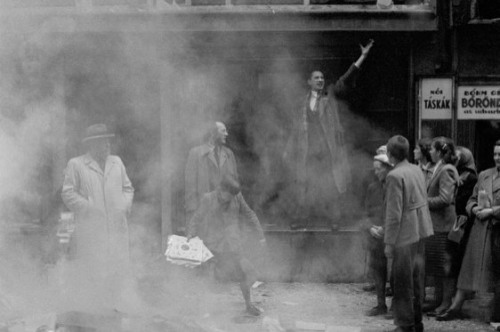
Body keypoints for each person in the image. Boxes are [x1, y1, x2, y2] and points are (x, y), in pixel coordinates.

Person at [283, 39, 374, 229]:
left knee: (331, 186)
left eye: (322, 78)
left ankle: (334, 221)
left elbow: (345, 81)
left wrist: (362, 57)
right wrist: (288, 150)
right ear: (309, 82)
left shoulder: (329, 97)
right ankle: (301, 220)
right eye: (316, 78)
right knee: (304, 185)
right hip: (308, 152)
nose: (320, 80)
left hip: (328, 151)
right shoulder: (301, 103)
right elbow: (295, 130)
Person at [61, 123, 134, 308]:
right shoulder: (76, 164)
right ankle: (94, 310)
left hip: (117, 227)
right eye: (103, 142)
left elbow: (128, 188)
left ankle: (117, 308)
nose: (108, 145)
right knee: (94, 271)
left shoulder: (116, 162)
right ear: (92, 145)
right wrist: (88, 207)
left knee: (117, 270)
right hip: (91, 228)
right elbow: (67, 193)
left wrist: (123, 206)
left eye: (108, 141)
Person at [186, 175, 266, 316]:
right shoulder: (208, 199)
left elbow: (249, 214)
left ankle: (248, 305)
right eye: (227, 195)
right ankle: (206, 310)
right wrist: (190, 233)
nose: (229, 198)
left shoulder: (237, 197)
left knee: (248, 273)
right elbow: (197, 217)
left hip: (233, 245)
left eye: (232, 196)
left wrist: (261, 236)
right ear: (220, 190)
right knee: (209, 279)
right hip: (213, 246)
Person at [437, 141, 498, 322]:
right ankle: (456, 307)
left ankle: (495, 312)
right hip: (479, 230)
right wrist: (474, 209)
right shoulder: (485, 175)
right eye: (495, 154)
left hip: (497, 231)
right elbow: (471, 198)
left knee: (495, 273)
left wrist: (492, 211)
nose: (497, 158)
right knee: (468, 269)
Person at [384, 135, 434, 332]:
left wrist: (389, 243)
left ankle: (405, 325)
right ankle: (417, 321)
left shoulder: (394, 176)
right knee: (416, 279)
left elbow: (394, 214)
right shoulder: (416, 169)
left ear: (389, 154)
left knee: (402, 281)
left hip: (404, 237)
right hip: (420, 232)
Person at [424, 137, 460, 317]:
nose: (429, 151)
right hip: (437, 225)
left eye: (432, 149)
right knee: (438, 265)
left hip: (444, 226)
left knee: (446, 266)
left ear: (439, 152)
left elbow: (446, 199)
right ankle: (439, 301)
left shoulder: (446, 170)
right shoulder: (439, 168)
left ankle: (446, 303)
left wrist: (424, 202)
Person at [185, 121, 238, 223]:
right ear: (213, 133)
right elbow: (190, 187)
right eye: (223, 131)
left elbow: (235, 185)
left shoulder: (229, 154)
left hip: (225, 215)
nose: (226, 134)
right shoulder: (195, 154)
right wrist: (192, 216)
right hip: (204, 214)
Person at [362, 150, 393, 316]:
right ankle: (381, 304)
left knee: (394, 272)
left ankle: (396, 306)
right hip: (376, 235)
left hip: (393, 234)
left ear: (388, 168)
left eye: (379, 169)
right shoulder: (372, 188)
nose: (376, 172)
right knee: (378, 270)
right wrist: (371, 228)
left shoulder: (395, 186)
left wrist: (385, 229)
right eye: (375, 169)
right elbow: (365, 213)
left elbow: (397, 212)